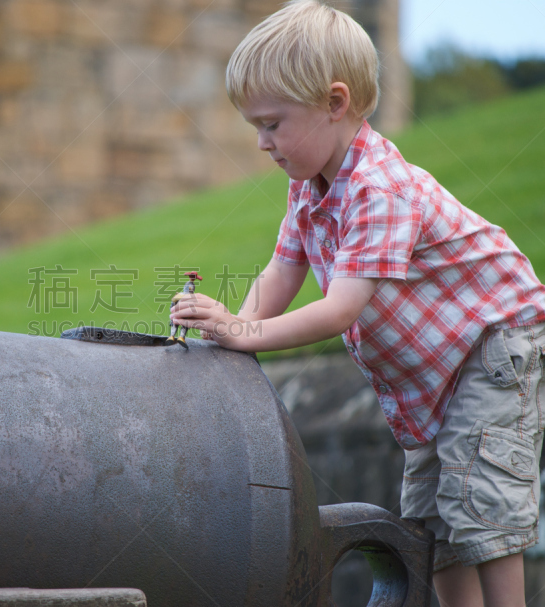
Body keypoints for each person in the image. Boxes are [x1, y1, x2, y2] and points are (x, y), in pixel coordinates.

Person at [169, 2, 545, 606]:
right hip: (435, 371)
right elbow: (280, 272)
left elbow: (340, 308)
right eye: (254, 127)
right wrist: (224, 329)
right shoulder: (307, 187)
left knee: (483, 510)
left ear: (335, 104)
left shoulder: (380, 188)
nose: (262, 144)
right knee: (430, 521)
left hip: (493, 344)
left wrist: (243, 331)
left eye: (271, 123)